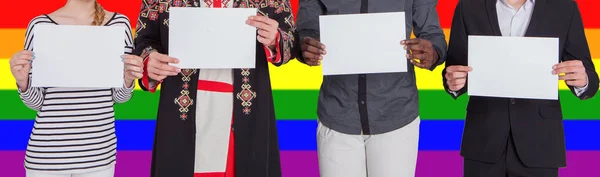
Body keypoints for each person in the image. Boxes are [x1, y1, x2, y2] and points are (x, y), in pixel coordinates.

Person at [132, 0, 296, 177]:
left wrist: (275, 39)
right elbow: (144, 39)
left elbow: (291, 39)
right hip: (181, 105)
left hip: (246, 107)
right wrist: (149, 59)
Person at [443, 0, 599, 176]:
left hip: (540, 142)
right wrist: (453, 83)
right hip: (483, 139)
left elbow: (590, 79)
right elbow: (453, 68)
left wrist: (583, 80)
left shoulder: (564, 7)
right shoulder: (469, 6)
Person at [296, 0, 446, 176]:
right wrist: (304, 46)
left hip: (396, 115)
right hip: (337, 114)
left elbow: (433, 34)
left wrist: (434, 52)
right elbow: (306, 30)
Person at [8, 0, 144, 177]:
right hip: (46, 159)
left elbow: (120, 97)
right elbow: (37, 103)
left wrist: (127, 79)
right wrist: (22, 82)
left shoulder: (119, 25)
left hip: (99, 158)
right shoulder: (40, 26)